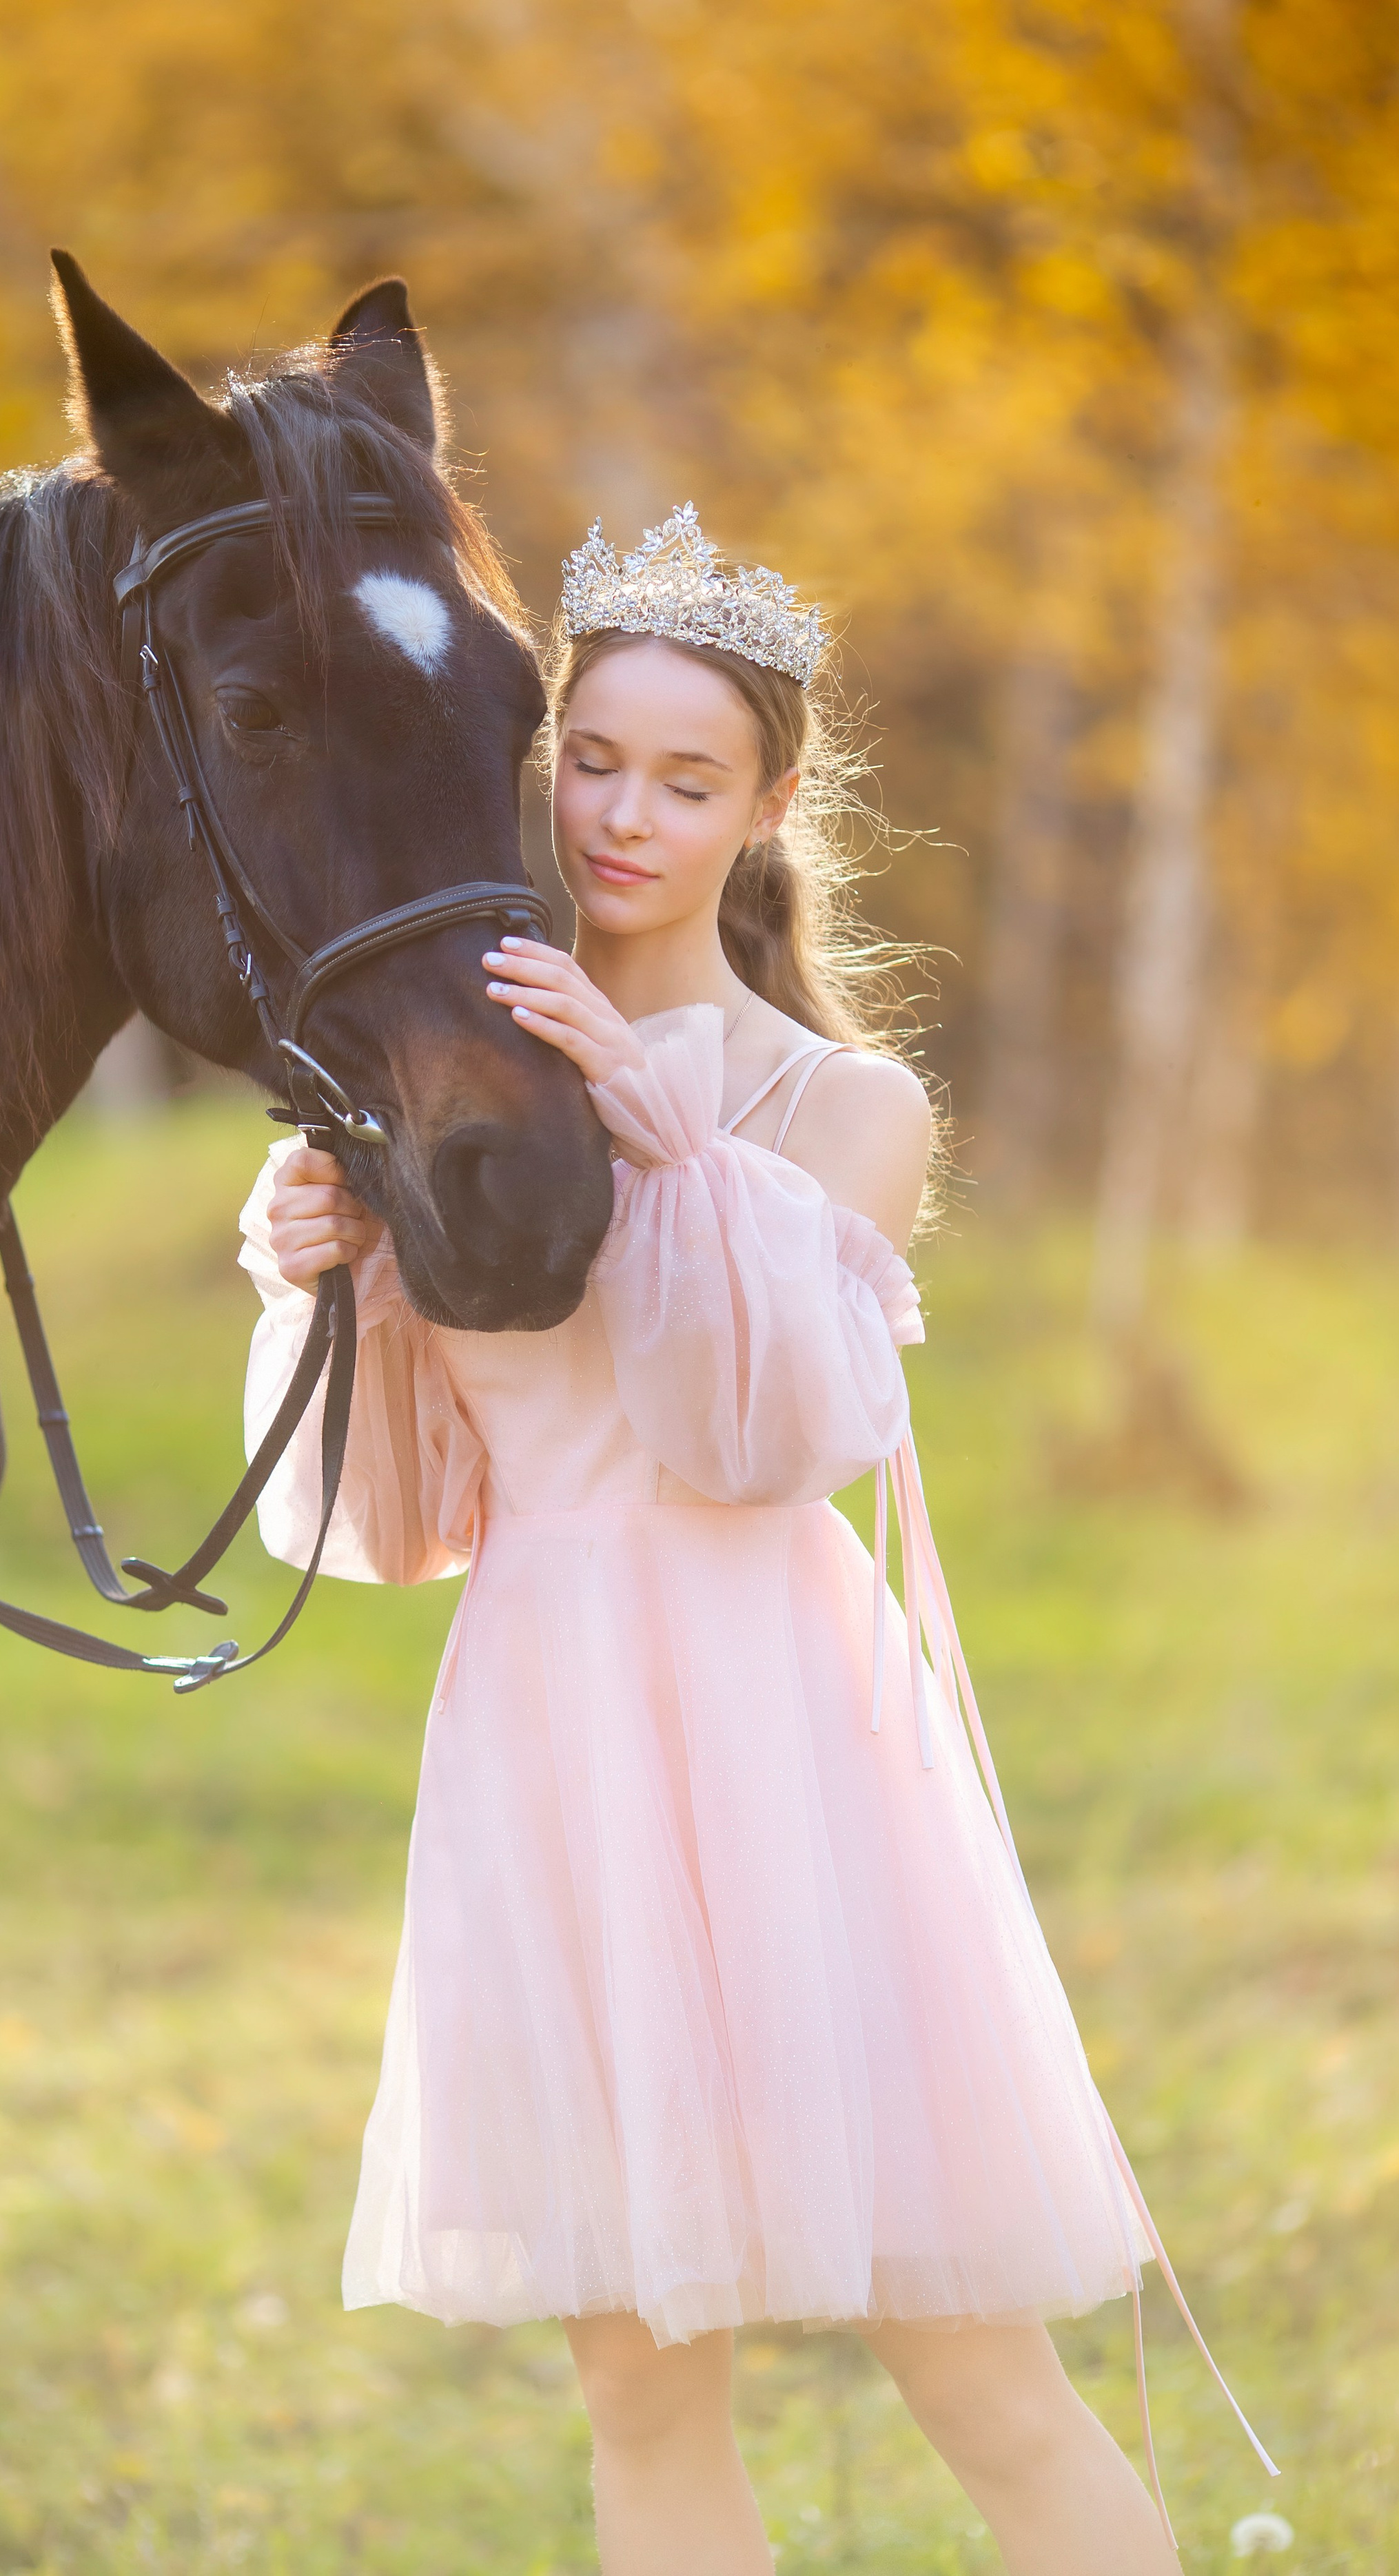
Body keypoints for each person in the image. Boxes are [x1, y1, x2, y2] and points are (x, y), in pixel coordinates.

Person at [236, 506, 1267, 2575]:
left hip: (788, 1744)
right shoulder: (445, 1084)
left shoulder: (839, 1103)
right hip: (552, 1735)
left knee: (971, 2365)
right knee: (636, 2380)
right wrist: (319, 1279)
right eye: (591, 763)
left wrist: (665, 1127)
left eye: (686, 778)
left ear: (771, 805)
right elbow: (409, 1515)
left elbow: (752, 1440)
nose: (624, 816)